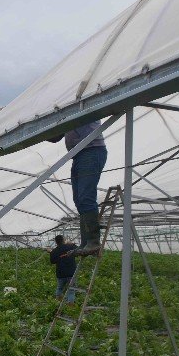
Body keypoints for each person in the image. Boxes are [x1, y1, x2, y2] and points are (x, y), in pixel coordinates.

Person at [49, 120, 107, 256]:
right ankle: (85, 242)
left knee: (86, 197)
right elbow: (56, 137)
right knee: (79, 200)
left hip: (91, 149)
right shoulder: (65, 116)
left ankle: (93, 241)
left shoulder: (77, 102)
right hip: (78, 154)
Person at [49, 235, 77, 303]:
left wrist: (51, 252)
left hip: (61, 274)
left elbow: (52, 261)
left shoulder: (54, 251)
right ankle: (70, 307)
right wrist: (72, 243)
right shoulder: (70, 247)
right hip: (71, 273)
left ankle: (58, 303)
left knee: (60, 288)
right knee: (71, 291)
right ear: (63, 240)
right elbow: (79, 250)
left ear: (56, 242)